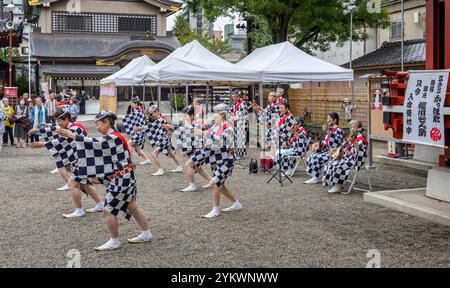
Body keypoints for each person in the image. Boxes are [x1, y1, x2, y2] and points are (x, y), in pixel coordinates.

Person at [58, 111, 152, 251]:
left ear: (107, 122)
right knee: (132, 206)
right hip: (124, 177)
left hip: (122, 179)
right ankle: (146, 233)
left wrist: (73, 136)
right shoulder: (114, 137)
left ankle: (114, 240)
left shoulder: (113, 137)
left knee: (108, 210)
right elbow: (107, 160)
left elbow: (94, 143)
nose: (96, 127)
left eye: (98, 124)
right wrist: (101, 177)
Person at [29, 107, 104, 213]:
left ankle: (79, 210)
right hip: (81, 158)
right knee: (84, 183)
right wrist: (37, 130)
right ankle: (100, 204)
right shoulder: (70, 126)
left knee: (72, 184)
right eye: (57, 121)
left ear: (67, 119)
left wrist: (42, 144)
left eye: (60, 121)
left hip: (84, 159)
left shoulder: (76, 127)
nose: (58, 123)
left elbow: (64, 139)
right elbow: (55, 129)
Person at [202, 103, 241, 219]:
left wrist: (206, 135)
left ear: (223, 114)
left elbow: (220, 142)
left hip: (227, 161)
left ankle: (216, 209)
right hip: (216, 159)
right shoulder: (216, 126)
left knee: (215, 183)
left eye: (216, 113)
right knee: (221, 185)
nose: (214, 115)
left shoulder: (228, 127)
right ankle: (236, 203)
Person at [170, 105, 211, 192]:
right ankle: (212, 181)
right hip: (197, 149)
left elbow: (195, 137)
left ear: (192, 115)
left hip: (202, 149)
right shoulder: (190, 123)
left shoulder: (196, 123)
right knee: (196, 167)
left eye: (186, 115)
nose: (185, 117)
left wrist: (185, 150)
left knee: (189, 165)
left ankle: (192, 185)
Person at [322, 120, 368, 193]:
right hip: (346, 158)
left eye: (354, 127)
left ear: (359, 128)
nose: (352, 129)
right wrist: (336, 150)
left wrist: (355, 143)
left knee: (336, 166)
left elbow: (362, 152)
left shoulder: (361, 139)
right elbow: (343, 147)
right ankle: (334, 184)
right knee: (329, 163)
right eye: (351, 127)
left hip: (355, 160)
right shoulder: (352, 136)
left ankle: (338, 186)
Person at [135, 105, 182, 176]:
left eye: (152, 113)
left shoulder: (160, 119)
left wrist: (140, 128)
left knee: (154, 155)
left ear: (156, 112)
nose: (152, 115)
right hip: (165, 139)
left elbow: (151, 126)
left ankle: (160, 170)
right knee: (171, 154)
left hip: (163, 140)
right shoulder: (160, 118)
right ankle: (179, 167)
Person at [304, 112, 345, 184]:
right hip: (328, 151)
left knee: (315, 157)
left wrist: (329, 132)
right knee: (312, 156)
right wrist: (317, 145)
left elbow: (337, 143)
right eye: (327, 118)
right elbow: (326, 141)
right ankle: (315, 176)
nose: (328, 120)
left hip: (334, 153)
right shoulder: (331, 129)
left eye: (329, 119)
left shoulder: (338, 130)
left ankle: (316, 177)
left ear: (335, 120)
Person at [122, 97, 151, 165]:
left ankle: (130, 161)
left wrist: (123, 117)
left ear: (135, 103)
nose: (131, 105)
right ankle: (147, 160)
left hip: (139, 131)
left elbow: (129, 117)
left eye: (132, 103)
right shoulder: (139, 110)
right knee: (137, 147)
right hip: (140, 131)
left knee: (129, 143)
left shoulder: (137, 111)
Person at [229, 91, 248, 159]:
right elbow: (231, 111)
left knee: (241, 139)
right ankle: (237, 152)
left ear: (238, 97)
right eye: (233, 97)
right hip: (235, 123)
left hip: (241, 123)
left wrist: (233, 118)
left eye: (234, 97)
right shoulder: (235, 103)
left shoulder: (243, 103)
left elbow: (242, 114)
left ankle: (240, 154)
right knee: (237, 139)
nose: (233, 98)